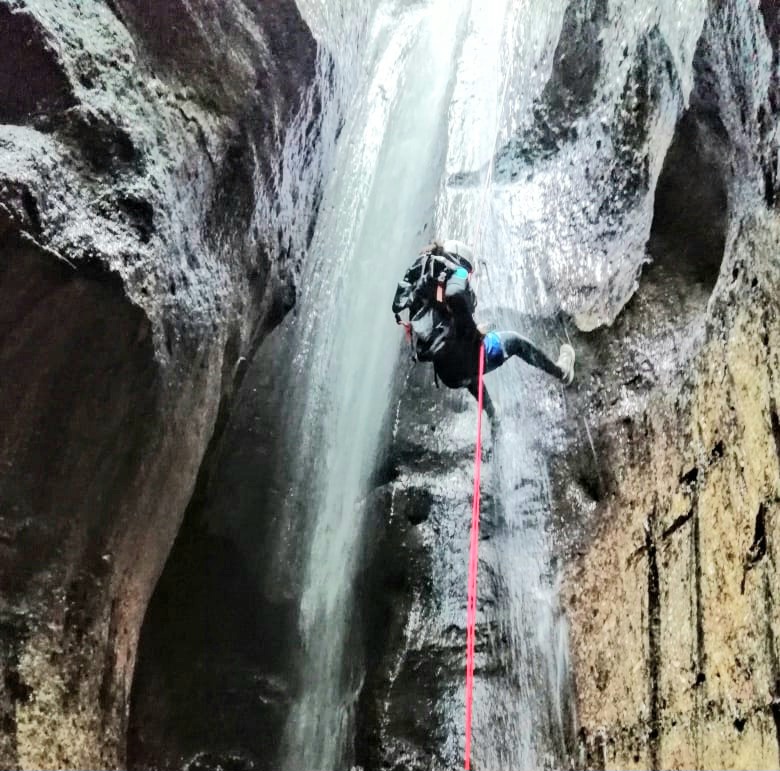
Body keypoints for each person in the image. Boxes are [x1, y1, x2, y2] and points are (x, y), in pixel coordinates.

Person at [392, 239, 575, 423]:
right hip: (469, 361)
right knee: (514, 342)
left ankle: (493, 416)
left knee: (467, 367)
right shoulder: (457, 275)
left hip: (448, 376)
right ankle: (562, 373)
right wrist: (476, 333)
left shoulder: (426, 286)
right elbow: (459, 302)